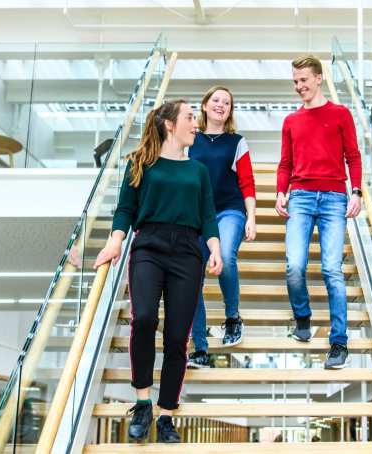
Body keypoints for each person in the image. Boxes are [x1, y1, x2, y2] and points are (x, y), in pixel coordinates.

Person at [94, 100, 223, 443]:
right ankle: (142, 403)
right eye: (190, 118)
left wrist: (215, 247)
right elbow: (125, 209)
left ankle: (167, 414)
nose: (196, 124)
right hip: (148, 246)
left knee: (178, 337)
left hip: (187, 253)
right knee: (145, 318)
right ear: (169, 124)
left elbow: (208, 214)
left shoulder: (198, 171)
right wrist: (115, 242)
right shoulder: (141, 163)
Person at [275, 55, 362, 370]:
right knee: (294, 267)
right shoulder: (291, 121)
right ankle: (303, 317)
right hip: (299, 197)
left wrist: (357, 191)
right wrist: (280, 192)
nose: (299, 86)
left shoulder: (340, 114)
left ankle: (339, 343)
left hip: (335, 199)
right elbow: (285, 162)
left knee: (332, 270)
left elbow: (352, 155)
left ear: (319, 78)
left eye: (303, 80)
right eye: (295, 81)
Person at [186, 86, 257, 369]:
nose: (220, 105)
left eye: (226, 102)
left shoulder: (237, 142)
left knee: (226, 256)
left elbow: (248, 183)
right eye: (215, 100)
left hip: (230, 211)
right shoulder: (190, 139)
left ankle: (232, 318)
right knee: (191, 277)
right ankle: (200, 349)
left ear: (230, 110)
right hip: (196, 216)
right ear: (204, 105)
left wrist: (251, 217)